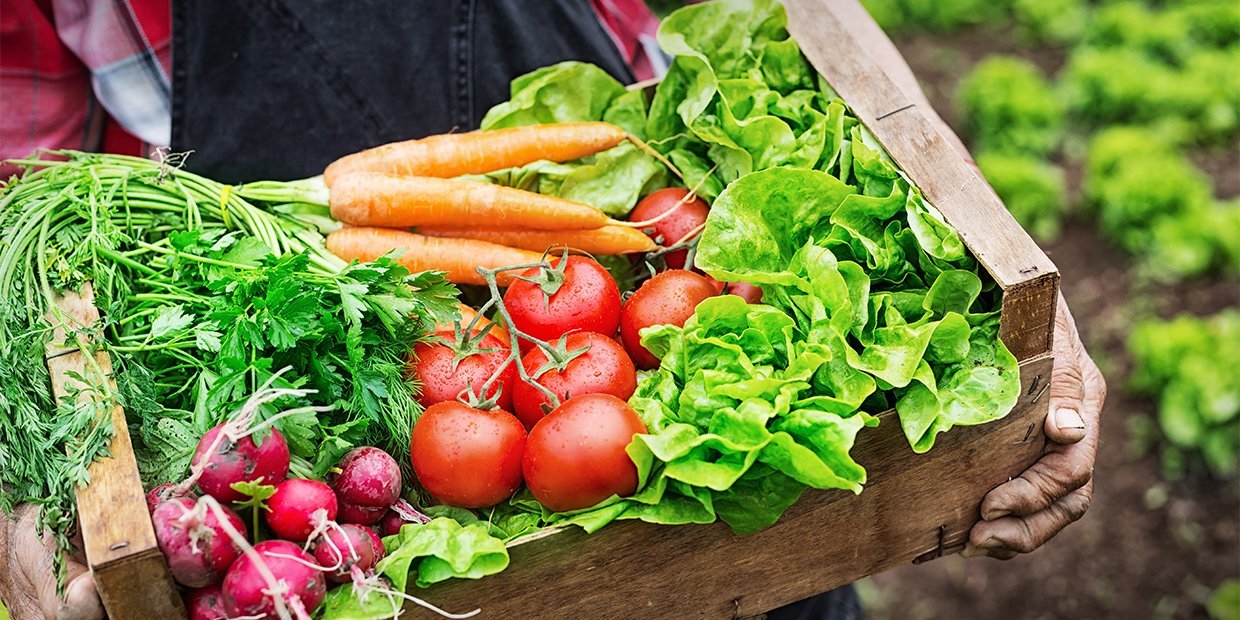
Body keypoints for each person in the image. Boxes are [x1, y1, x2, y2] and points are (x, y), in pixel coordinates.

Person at [0, 1, 1106, 618]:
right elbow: (18, 213)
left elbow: (813, 25)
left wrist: (989, 249)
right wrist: (28, 515)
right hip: (292, 421)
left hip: (680, 403)